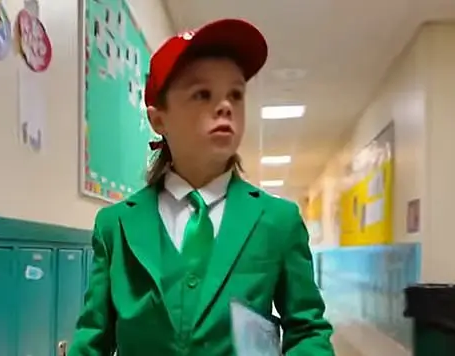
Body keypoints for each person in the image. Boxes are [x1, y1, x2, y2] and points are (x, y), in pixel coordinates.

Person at [69, 18, 335, 356]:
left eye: (236, 94)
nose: (225, 105)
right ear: (158, 118)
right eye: (202, 94)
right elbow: (93, 337)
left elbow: (307, 328)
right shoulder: (117, 225)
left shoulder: (277, 221)